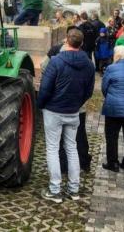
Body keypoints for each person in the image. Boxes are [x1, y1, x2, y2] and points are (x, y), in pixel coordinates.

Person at [38, 28, 95, 203]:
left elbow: (45, 88)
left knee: (53, 149)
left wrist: (40, 105)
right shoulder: (88, 64)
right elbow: (89, 91)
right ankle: (74, 189)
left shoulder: (56, 61)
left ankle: (55, 190)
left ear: (66, 41)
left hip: (54, 111)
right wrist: (77, 105)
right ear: (82, 43)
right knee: (72, 148)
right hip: (73, 111)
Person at [44, 38, 91, 173]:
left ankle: (63, 167)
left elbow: (44, 67)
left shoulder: (56, 53)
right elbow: (89, 84)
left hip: (58, 105)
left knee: (60, 140)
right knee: (78, 136)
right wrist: (80, 101)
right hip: (77, 106)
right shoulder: (85, 58)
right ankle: (83, 163)